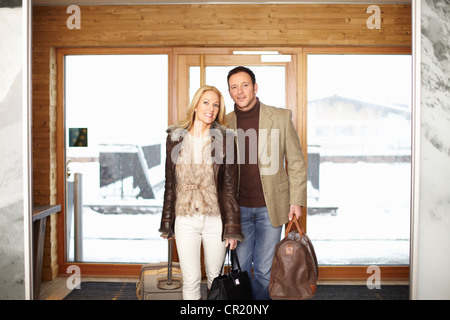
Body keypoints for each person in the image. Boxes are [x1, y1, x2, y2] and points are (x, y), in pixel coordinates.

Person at [226, 66, 307, 300]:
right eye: (234, 87)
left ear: (255, 87)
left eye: (245, 85)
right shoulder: (224, 123)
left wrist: (296, 200)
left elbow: (296, 162)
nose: (240, 91)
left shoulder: (280, 117)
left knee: (263, 270)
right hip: (237, 209)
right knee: (239, 269)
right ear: (229, 92)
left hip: (270, 207)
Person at [159, 85, 243, 300]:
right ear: (196, 104)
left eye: (216, 105)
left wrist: (232, 229)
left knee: (216, 278)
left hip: (215, 219)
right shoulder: (175, 137)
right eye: (206, 102)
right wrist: (167, 222)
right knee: (191, 279)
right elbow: (170, 185)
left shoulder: (225, 139)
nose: (211, 108)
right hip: (185, 219)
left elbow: (230, 188)